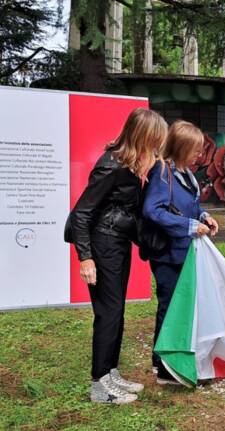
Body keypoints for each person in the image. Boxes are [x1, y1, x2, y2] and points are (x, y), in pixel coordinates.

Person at [69, 108, 168, 403]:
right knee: (108, 314)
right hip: (102, 247)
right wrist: (85, 258)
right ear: (143, 136)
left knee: (115, 312)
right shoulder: (109, 166)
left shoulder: (127, 165)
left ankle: (109, 372)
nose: (157, 147)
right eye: (155, 140)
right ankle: (99, 386)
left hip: (117, 244)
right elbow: (81, 214)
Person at [142, 120, 219, 385]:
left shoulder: (185, 173)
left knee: (182, 306)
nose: (200, 155)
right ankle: (164, 367)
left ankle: (174, 359)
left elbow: (190, 205)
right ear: (182, 147)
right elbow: (153, 210)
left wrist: (205, 217)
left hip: (183, 252)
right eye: (196, 149)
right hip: (167, 253)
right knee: (169, 306)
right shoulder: (162, 172)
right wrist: (188, 226)